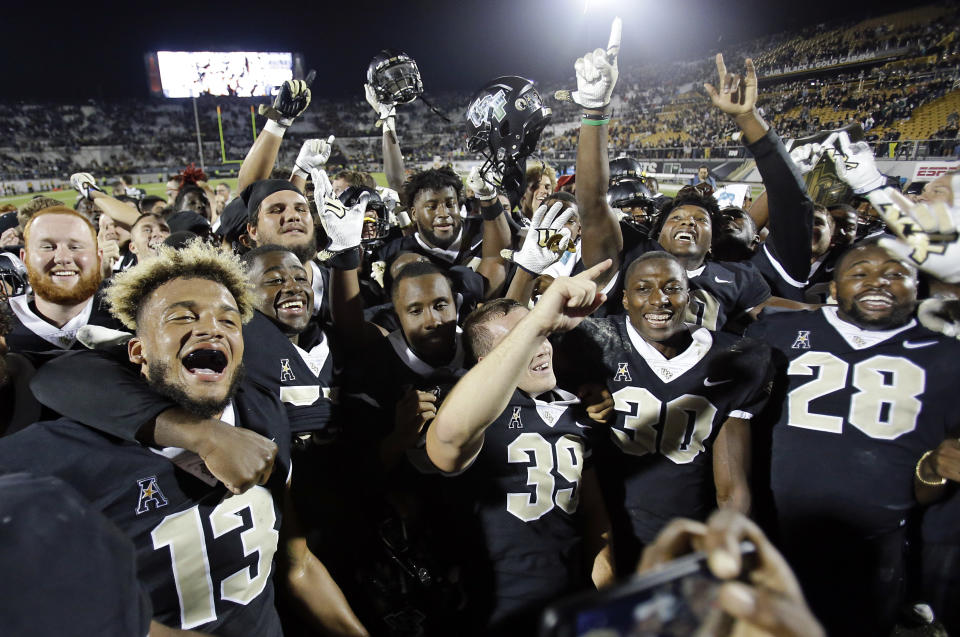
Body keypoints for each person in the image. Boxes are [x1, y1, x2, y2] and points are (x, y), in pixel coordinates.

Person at [0, 241, 368, 636]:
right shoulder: (57, 455)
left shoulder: (264, 415)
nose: (211, 327)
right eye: (181, 317)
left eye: (229, 321)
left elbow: (298, 565)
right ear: (137, 351)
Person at [744, 240, 960, 635]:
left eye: (895, 274)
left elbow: (930, 486)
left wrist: (933, 469)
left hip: (873, 553)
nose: (877, 283)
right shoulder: (777, 333)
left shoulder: (947, 359)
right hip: (773, 541)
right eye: (860, 273)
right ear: (833, 288)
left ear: (917, 286)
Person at [427, 262, 614, 634]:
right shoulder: (470, 410)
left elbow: (594, 513)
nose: (540, 345)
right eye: (523, 340)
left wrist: (606, 588)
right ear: (486, 363)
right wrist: (533, 322)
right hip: (496, 611)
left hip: (572, 604)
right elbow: (447, 441)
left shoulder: (574, 409)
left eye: (543, 334)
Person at [559, 251, 769, 574]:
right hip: (603, 536)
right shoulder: (592, 343)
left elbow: (731, 487)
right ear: (625, 300)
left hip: (683, 536)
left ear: (689, 295)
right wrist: (582, 399)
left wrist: (729, 552)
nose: (660, 300)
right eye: (644, 289)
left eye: (672, 288)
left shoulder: (733, 357)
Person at [5, 206, 122, 367]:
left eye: (75, 247)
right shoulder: (4, 325)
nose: (63, 258)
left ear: (98, 256)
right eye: (47, 247)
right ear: (25, 259)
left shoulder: (131, 307)